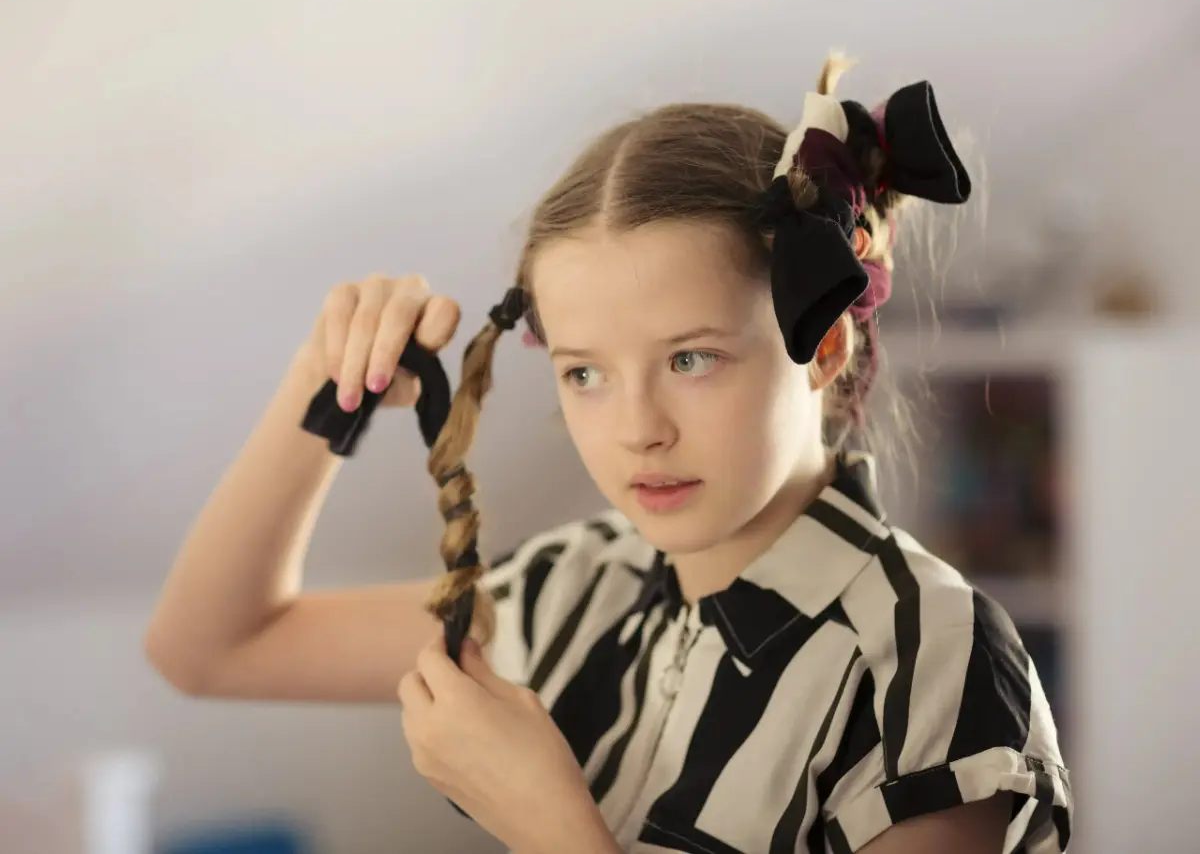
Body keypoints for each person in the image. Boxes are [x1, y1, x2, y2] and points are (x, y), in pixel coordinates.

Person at [145, 54, 1072, 854]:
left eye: (691, 358)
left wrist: (548, 822)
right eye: (585, 373)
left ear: (823, 347)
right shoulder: (580, 587)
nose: (639, 429)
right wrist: (325, 381)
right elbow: (210, 649)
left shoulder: (932, 664)